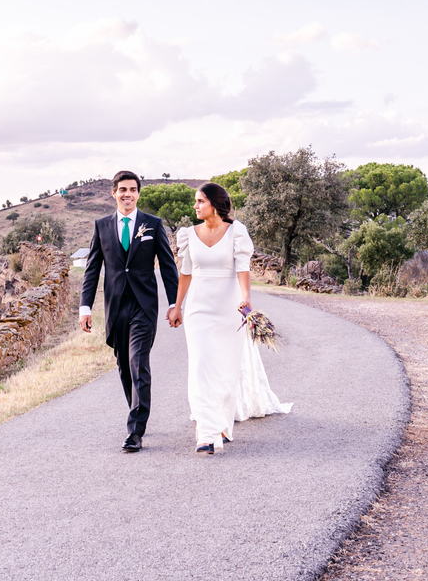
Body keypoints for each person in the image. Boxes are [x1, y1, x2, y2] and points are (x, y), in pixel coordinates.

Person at [169, 182, 291, 455]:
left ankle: (222, 424)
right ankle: (206, 432)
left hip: (229, 307)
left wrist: (246, 298)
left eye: (200, 201)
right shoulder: (188, 234)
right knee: (200, 366)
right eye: (196, 201)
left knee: (225, 368)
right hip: (198, 307)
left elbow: (243, 267)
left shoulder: (237, 232)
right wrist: (177, 306)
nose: (196, 206)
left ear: (215, 204)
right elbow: (186, 272)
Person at [80, 171, 180, 453]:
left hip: (144, 307)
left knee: (138, 363)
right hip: (115, 308)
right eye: (123, 189)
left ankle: (135, 431)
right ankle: (137, 409)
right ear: (114, 193)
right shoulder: (101, 226)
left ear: (138, 193)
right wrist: (85, 308)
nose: (128, 194)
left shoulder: (153, 224)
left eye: (133, 190)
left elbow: (169, 267)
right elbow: (92, 270)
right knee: (124, 366)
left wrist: (174, 304)